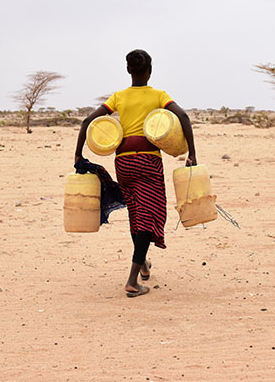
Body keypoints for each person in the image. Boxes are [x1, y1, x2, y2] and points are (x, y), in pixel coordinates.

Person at [74, 49, 197, 297]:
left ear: (128, 71)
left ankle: (142, 265)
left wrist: (78, 154)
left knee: (136, 213)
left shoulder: (118, 97)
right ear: (149, 72)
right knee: (150, 214)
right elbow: (182, 116)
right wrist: (192, 153)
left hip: (124, 163)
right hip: (148, 162)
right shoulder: (158, 95)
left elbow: (88, 121)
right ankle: (132, 281)